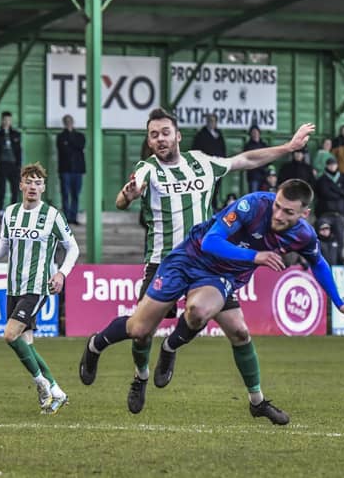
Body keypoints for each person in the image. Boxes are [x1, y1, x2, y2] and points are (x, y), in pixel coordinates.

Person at [79, 107, 315, 422]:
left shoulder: (202, 162)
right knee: (140, 332)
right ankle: (131, 371)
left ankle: (251, 397)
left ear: (178, 135)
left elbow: (244, 160)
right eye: (153, 135)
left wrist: (287, 148)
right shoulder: (148, 169)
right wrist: (128, 194)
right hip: (164, 260)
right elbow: (124, 199)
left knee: (236, 329)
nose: (160, 139)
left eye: (165, 132)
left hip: (209, 263)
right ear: (149, 142)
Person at [81, 179, 344, 425]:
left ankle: (252, 399)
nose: (278, 215)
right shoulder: (252, 205)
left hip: (223, 275)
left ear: (304, 213)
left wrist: (338, 301)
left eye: (288, 212)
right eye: (278, 206)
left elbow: (319, 263)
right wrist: (256, 256)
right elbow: (211, 241)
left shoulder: (304, 235)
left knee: (228, 326)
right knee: (139, 330)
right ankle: (95, 345)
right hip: (189, 258)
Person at [0, 162, 79, 414]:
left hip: (37, 287)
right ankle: (57, 392)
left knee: (10, 335)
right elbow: (4, 245)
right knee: (27, 344)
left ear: (43, 187)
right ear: (21, 184)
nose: (33, 186)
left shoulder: (53, 215)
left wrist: (61, 273)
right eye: (29, 181)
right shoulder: (10, 212)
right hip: (13, 286)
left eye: (38, 182)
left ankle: (42, 384)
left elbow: (73, 248)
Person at [314, 155, 344, 259]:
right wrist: (341, 193)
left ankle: (338, 263)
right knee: (323, 239)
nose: (332, 166)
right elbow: (325, 193)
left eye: (334, 164)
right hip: (325, 214)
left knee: (340, 241)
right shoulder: (322, 180)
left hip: (339, 215)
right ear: (327, 166)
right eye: (330, 164)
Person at [0, 111, 22, 222]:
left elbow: (19, 151)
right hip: (2, 164)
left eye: (9, 120)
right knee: (2, 189)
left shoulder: (16, 134)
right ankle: (0, 212)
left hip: (13, 165)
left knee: (15, 189)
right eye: (5, 120)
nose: (7, 122)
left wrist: (19, 165)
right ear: (2, 120)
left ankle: (13, 213)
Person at [192, 113, 226, 210]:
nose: (212, 123)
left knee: (216, 189)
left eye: (213, 121)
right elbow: (195, 150)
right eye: (210, 121)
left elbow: (223, 150)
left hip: (218, 166)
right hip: (206, 166)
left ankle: (213, 208)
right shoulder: (201, 134)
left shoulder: (219, 134)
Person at [56, 114, 86, 225]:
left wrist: (69, 143)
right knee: (65, 194)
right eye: (66, 121)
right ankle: (66, 217)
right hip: (65, 169)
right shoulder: (61, 136)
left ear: (73, 122)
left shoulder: (80, 135)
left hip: (78, 169)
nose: (69, 123)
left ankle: (73, 216)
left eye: (70, 121)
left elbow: (81, 146)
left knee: (75, 194)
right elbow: (63, 150)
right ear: (64, 123)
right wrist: (72, 146)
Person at [242, 124, 267, 192]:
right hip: (253, 175)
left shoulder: (264, 145)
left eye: (256, 132)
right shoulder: (248, 146)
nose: (255, 134)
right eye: (253, 132)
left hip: (264, 175)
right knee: (254, 195)